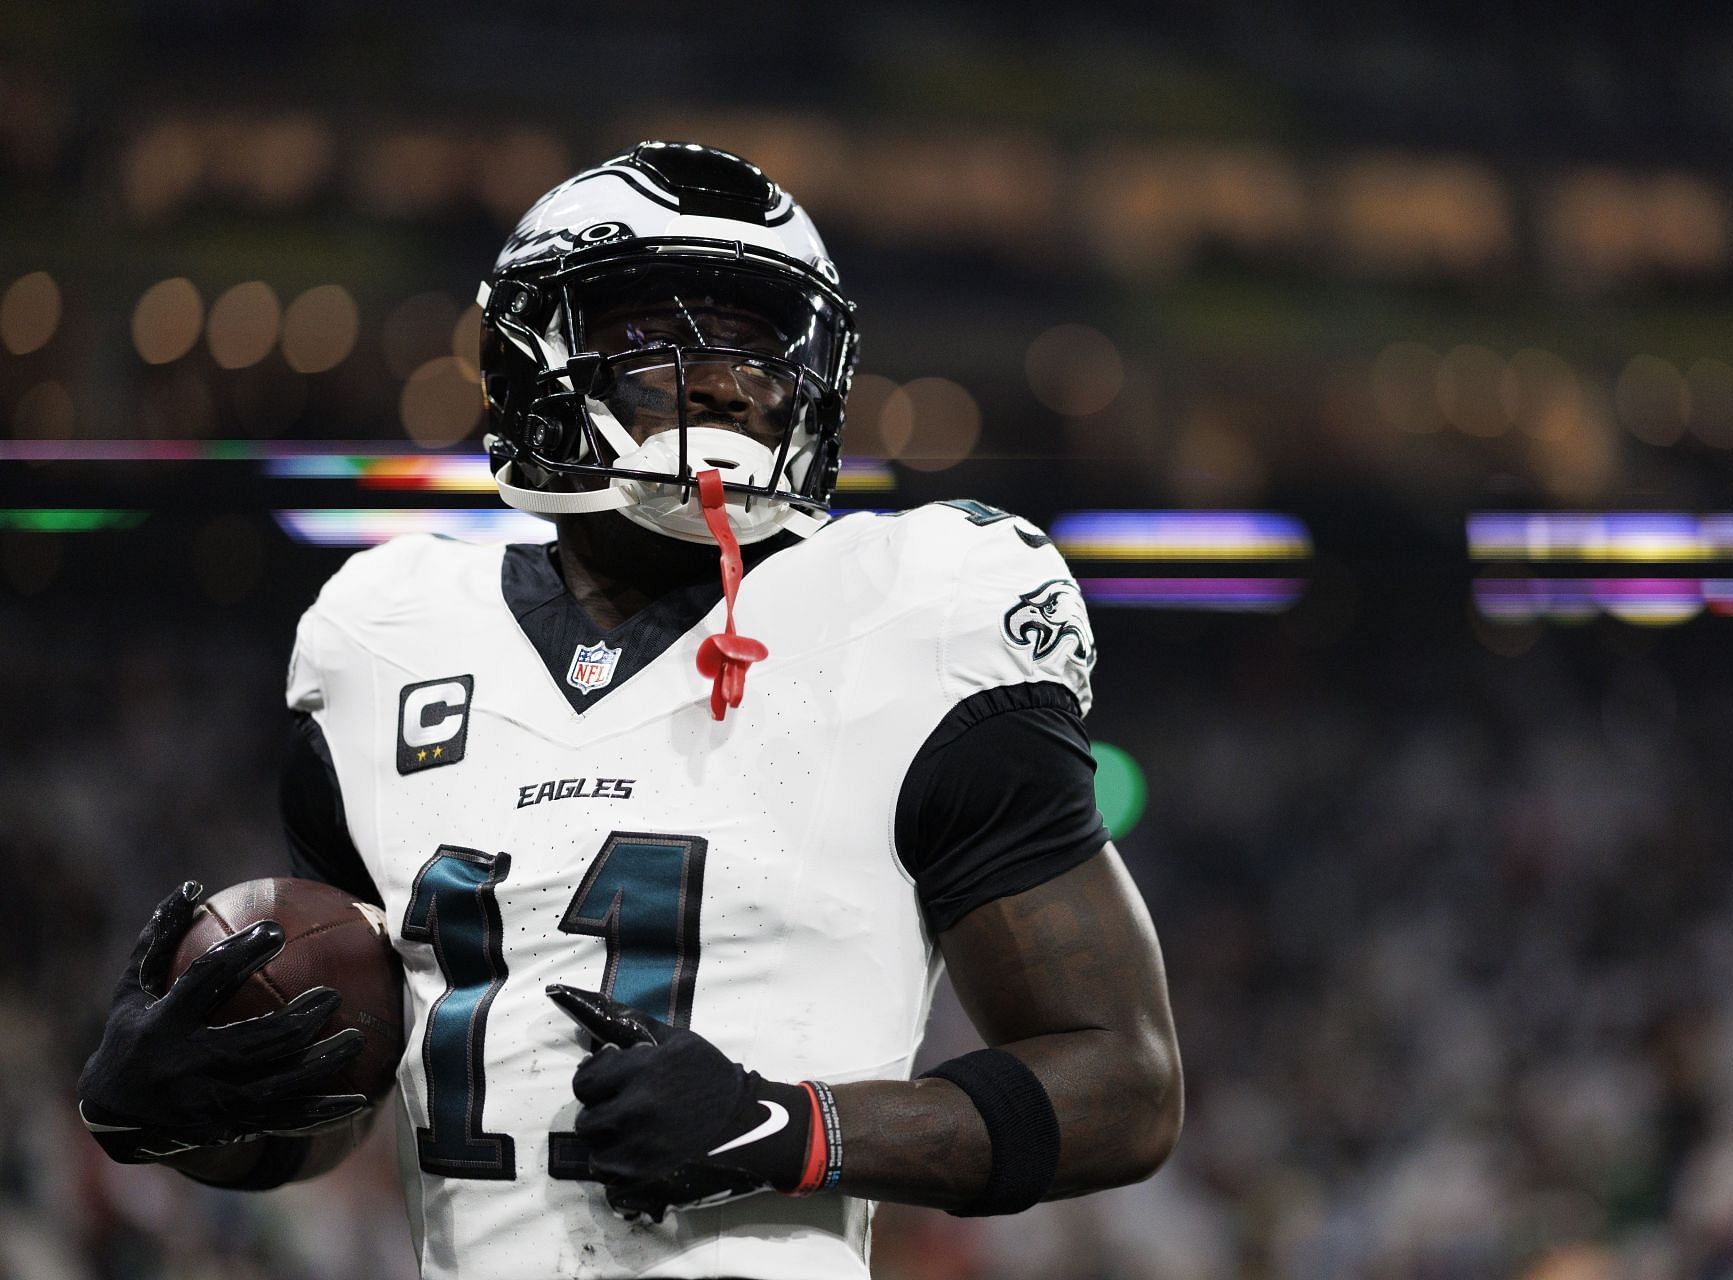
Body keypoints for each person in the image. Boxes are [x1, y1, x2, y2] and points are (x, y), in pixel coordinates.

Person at [77, 141, 1182, 1279]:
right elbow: (347, 1102)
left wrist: (787, 1126)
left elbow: (1125, 1078)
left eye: (758, 340)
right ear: (531, 353)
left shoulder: (915, 614)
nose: (722, 378)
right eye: (659, 330)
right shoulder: (383, 640)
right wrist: (184, 1108)